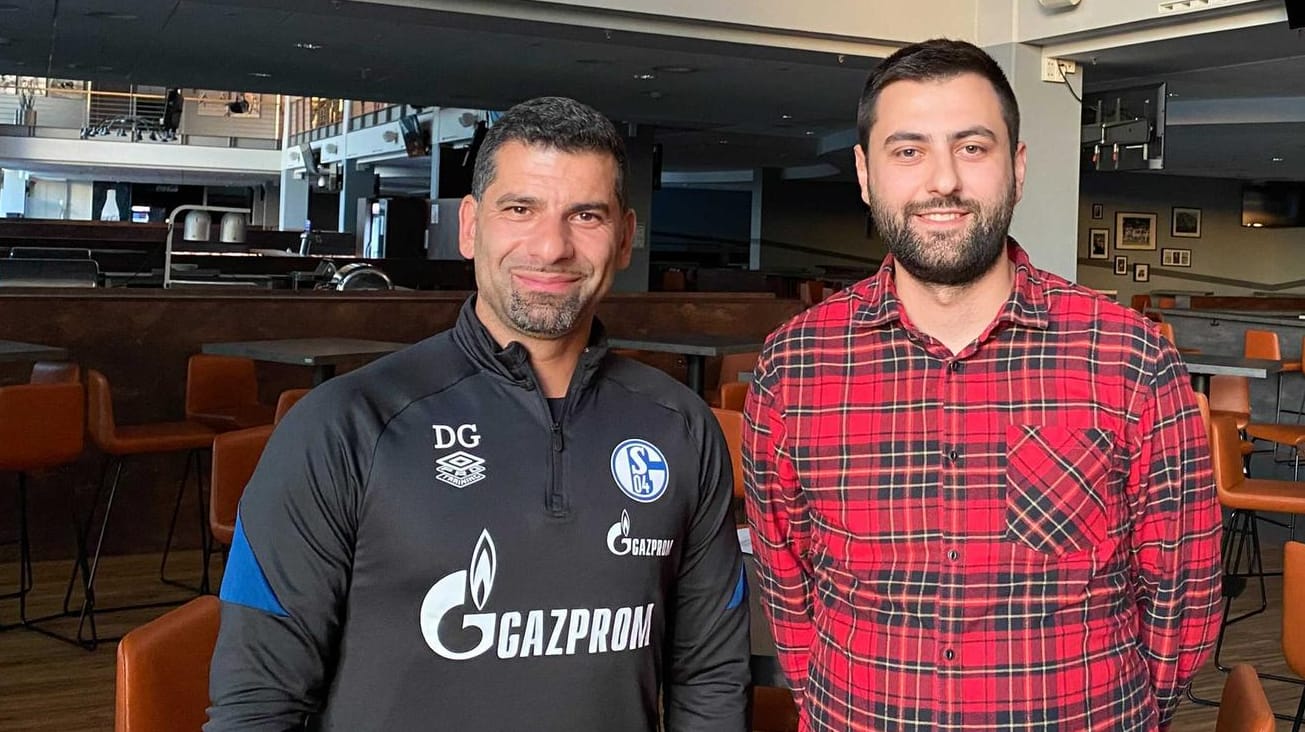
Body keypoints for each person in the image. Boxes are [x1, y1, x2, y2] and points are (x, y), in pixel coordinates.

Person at [207, 96, 750, 731]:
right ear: (470, 226)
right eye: (520, 209)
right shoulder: (341, 427)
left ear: (626, 238)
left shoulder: (682, 426)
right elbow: (257, 706)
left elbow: (708, 678)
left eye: (586, 215)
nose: (551, 247)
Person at [744, 39, 1220, 731]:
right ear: (864, 173)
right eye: (907, 150)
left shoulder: (1129, 358)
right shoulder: (795, 364)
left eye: (972, 147)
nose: (942, 181)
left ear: (1017, 167)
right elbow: (786, 582)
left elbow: (1182, 596)